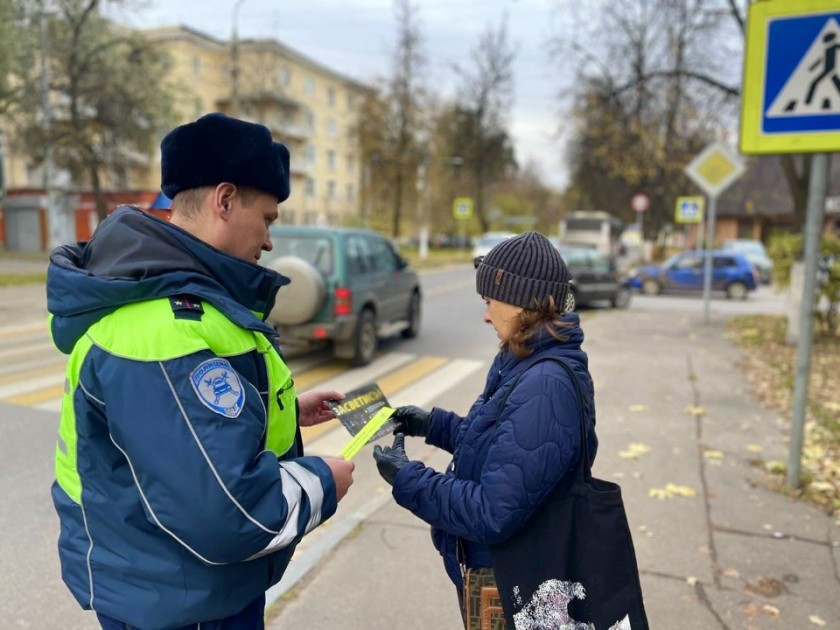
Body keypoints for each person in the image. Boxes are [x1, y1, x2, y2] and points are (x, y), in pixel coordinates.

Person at [47, 112, 355, 629]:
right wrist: (325, 479)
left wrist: (278, 411)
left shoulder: (182, 299)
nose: (270, 241)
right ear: (225, 200)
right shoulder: (167, 327)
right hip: (179, 603)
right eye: (269, 218)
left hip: (181, 587)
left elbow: (186, 434)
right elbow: (227, 515)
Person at [373, 231, 597, 625]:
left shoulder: (545, 385)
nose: (486, 315)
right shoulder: (525, 357)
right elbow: (507, 452)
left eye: (491, 301)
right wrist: (435, 426)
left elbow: (494, 512)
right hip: (506, 571)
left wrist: (409, 478)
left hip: (512, 584)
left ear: (522, 302)